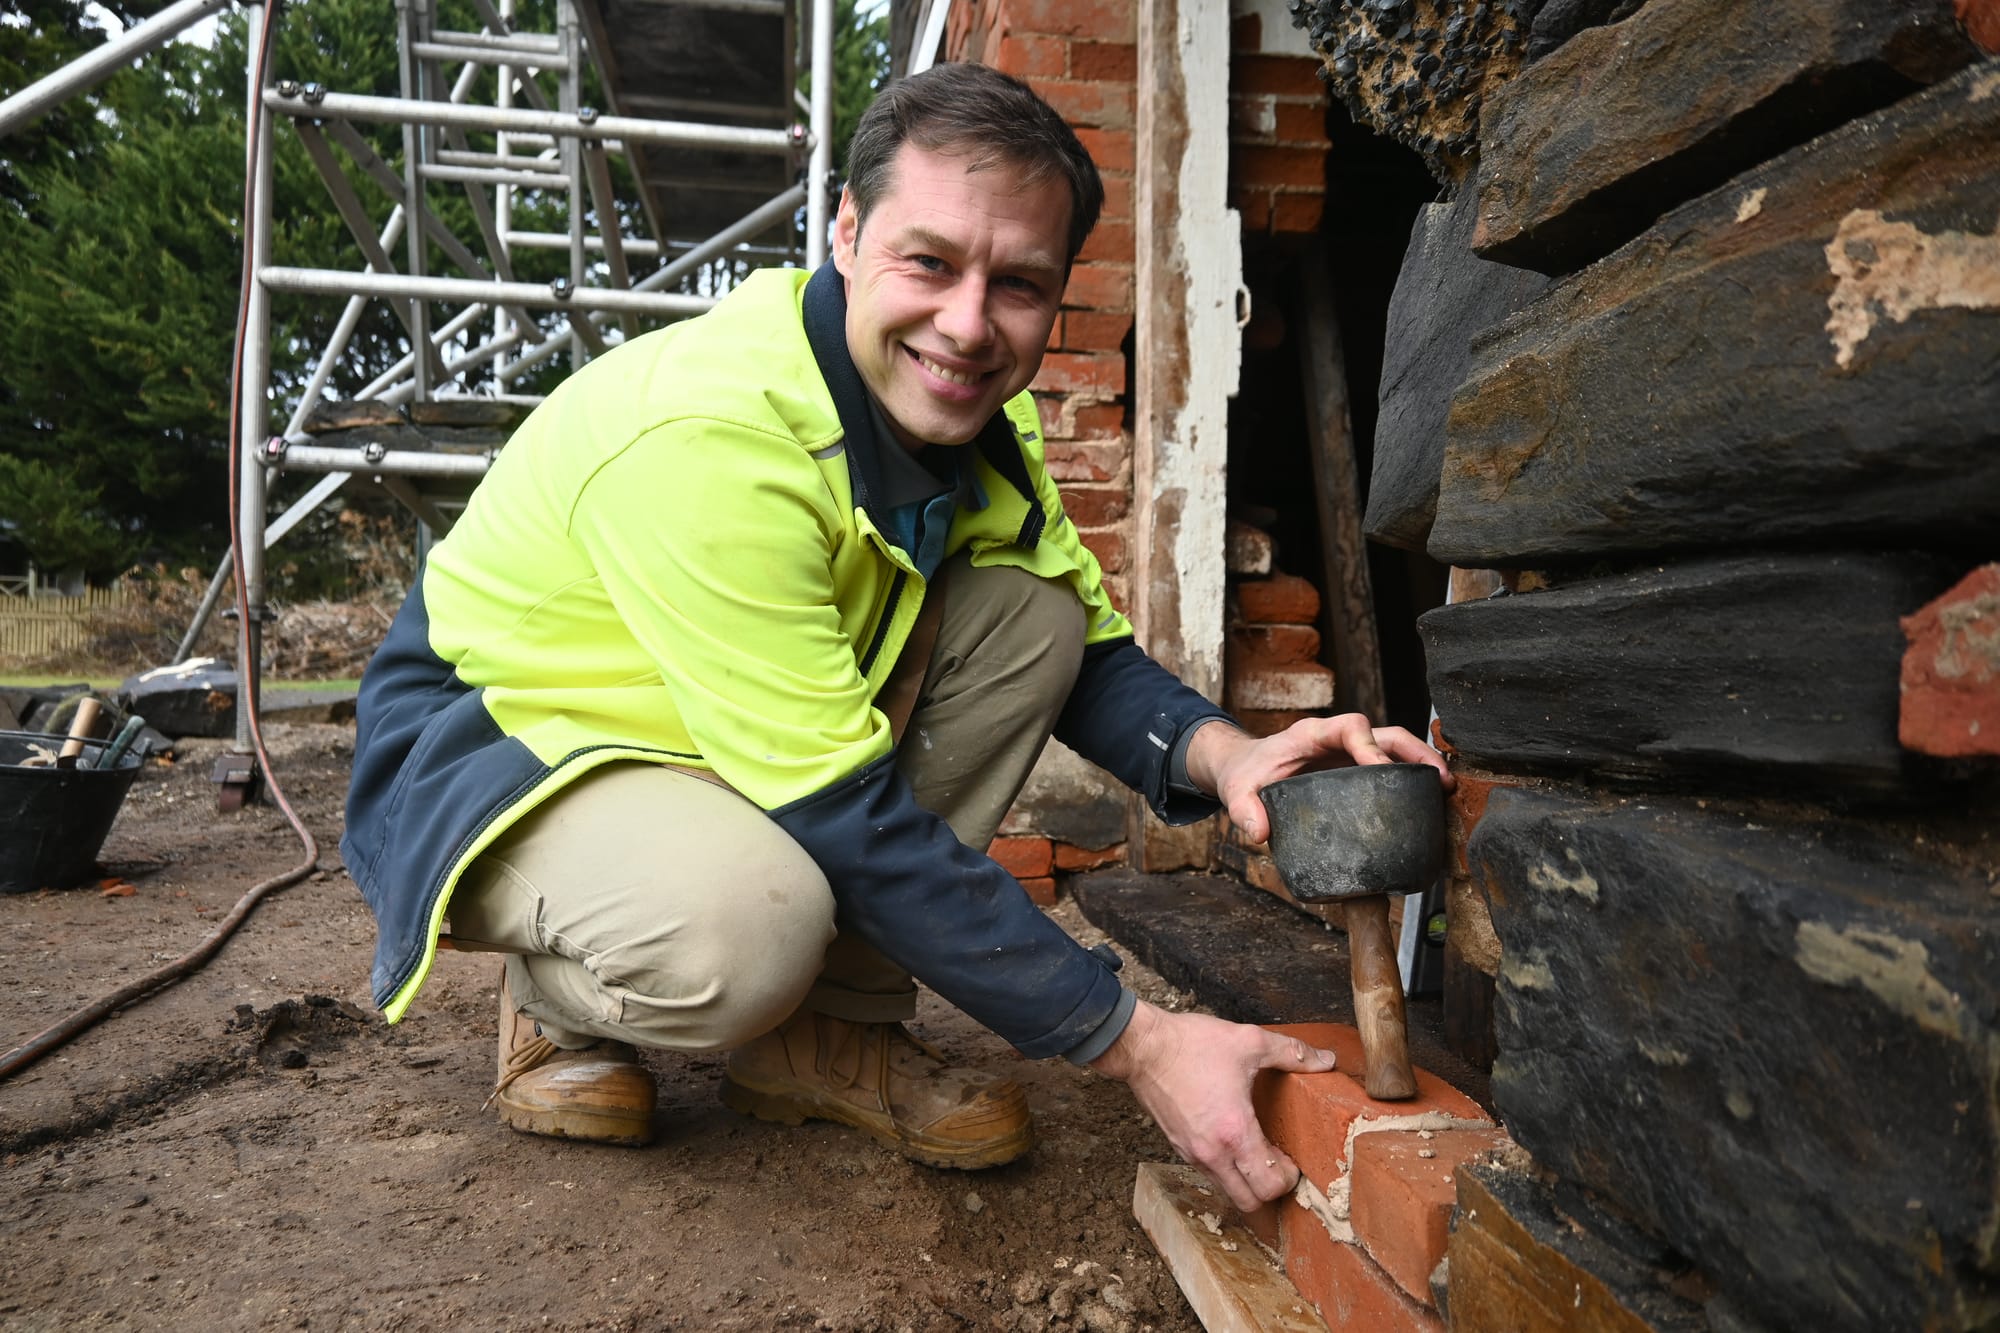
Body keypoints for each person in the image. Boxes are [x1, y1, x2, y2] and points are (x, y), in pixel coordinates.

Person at [343, 60, 1448, 1213]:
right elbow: (844, 815)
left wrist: (1232, 758)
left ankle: (825, 1035)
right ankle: (555, 992)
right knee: (745, 927)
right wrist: (1137, 1040)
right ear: (846, 232)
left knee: (1034, 614)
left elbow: (1084, 655)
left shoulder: (972, 409)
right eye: (928, 261)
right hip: (503, 750)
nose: (967, 326)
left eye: (1017, 284)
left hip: (717, 744)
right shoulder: (718, 441)